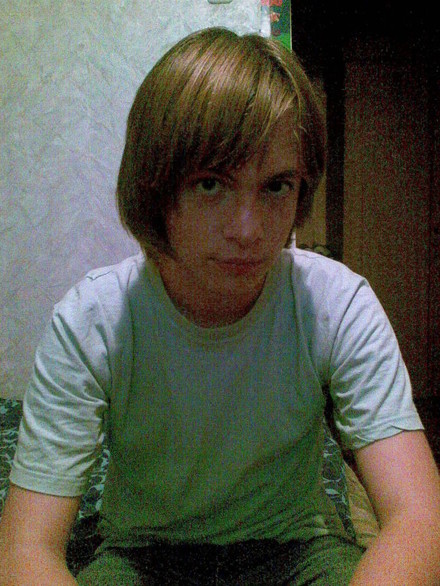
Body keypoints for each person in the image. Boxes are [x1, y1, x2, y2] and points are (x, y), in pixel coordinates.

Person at [0, 26, 439, 586]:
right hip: (143, 556)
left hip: (295, 549)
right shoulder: (92, 322)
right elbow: (25, 548)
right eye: (211, 184)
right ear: (155, 188)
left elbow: (420, 518)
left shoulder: (336, 303)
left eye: (276, 186)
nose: (248, 230)